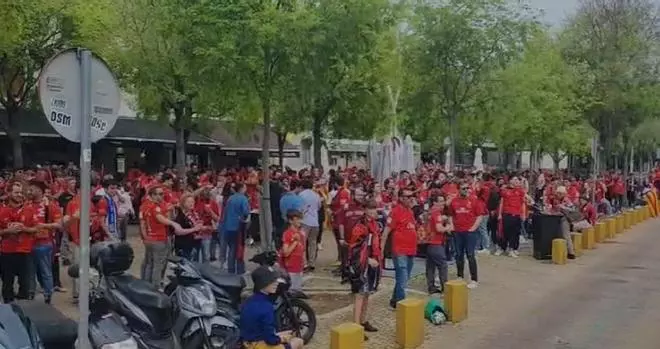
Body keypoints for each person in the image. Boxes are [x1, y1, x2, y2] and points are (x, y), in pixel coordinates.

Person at [240, 266, 304, 349]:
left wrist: (282, 335)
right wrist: (282, 338)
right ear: (262, 283)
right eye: (272, 281)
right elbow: (271, 340)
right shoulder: (266, 306)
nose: (276, 283)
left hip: (248, 342)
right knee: (298, 341)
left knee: (287, 333)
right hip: (259, 345)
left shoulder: (250, 300)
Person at [347, 200, 382, 340]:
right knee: (360, 294)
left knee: (367, 293)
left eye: (375, 209)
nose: (374, 212)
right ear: (366, 210)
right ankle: (356, 326)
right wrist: (368, 260)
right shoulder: (360, 226)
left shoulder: (374, 224)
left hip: (372, 262)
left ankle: (362, 320)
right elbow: (354, 248)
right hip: (362, 265)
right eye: (371, 209)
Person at [0, 182, 38, 303]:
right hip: (7, 251)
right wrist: (7, 230)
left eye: (21, 192)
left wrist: (24, 228)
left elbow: (36, 228)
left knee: (25, 283)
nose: (19, 195)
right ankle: (8, 310)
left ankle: (24, 308)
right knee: (7, 283)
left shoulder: (29, 209)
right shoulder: (2, 210)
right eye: (16, 192)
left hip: (25, 251)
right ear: (9, 193)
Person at [140, 184, 184, 287]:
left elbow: (142, 224)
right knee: (158, 265)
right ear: (152, 195)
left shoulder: (144, 206)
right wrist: (173, 223)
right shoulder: (155, 207)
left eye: (162, 194)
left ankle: (146, 285)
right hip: (158, 238)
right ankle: (155, 287)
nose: (161, 196)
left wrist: (145, 237)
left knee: (149, 263)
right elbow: (161, 218)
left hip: (150, 238)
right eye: (159, 194)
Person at [26, 180, 62, 304]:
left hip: (44, 244)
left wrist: (44, 226)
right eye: (29, 189)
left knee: (45, 271)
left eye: (33, 189)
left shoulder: (50, 206)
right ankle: (30, 294)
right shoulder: (27, 205)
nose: (30, 191)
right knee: (30, 271)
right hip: (28, 244)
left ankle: (48, 295)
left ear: (40, 191)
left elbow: (59, 225)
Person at [383, 188, 418, 309]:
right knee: (402, 277)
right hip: (400, 250)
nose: (410, 199)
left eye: (411, 196)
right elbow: (386, 231)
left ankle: (394, 301)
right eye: (407, 197)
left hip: (411, 250)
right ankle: (402, 306)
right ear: (401, 198)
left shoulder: (410, 211)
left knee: (403, 277)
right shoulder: (395, 211)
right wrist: (381, 250)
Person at [448, 182, 482, 289]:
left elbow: (479, 216)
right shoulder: (454, 201)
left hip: (470, 232)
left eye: (467, 188)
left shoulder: (474, 200)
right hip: (458, 232)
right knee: (458, 255)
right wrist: (452, 226)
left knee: (470, 255)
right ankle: (460, 276)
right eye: (463, 188)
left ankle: (474, 279)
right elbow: (450, 215)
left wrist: (473, 228)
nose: (466, 190)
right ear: (459, 190)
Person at [220, 182, 250, 274]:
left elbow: (225, 212)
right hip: (238, 226)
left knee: (232, 249)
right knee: (239, 249)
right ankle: (240, 270)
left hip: (227, 227)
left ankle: (231, 269)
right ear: (242, 188)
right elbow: (246, 212)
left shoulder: (230, 198)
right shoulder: (243, 198)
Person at [425, 194, 453, 294]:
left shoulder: (430, 211)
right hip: (436, 242)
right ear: (435, 202)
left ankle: (431, 287)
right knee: (443, 265)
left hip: (428, 242)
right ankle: (445, 288)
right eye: (440, 201)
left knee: (430, 266)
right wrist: (448, 228)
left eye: (443, 201)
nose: (443, 203)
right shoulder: (436, 212)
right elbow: (439, 228)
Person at [172, 194, 205, 261]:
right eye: (189, 202)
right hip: (184, 245)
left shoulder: (194, 214)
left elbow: (197, 227)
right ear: (183, 203)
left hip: (195, 243)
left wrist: (202, 227)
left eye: (192, 202)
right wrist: (193, 229)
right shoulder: (180, 216)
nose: (191, 204)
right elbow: (178, 232)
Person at [298, 179, 322, 271]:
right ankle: (312, 262)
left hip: (304, 221)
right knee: (313, 243)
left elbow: (299, 207)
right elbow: (319, 206)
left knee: (302, 243)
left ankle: (303, 263)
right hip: (315, 222)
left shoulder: (301, 195)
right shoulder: (316, 195)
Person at [280, 210, 305, 292]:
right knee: (292, 291)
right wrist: (295, 242)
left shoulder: (300, 233)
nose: (300, 221)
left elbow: (302, 249)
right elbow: (286, 252)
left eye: (300, 219)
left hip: (299, 266)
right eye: (297, 219)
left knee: (297, 290)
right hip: (291, 267)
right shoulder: (287, 234)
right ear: (291, 221)